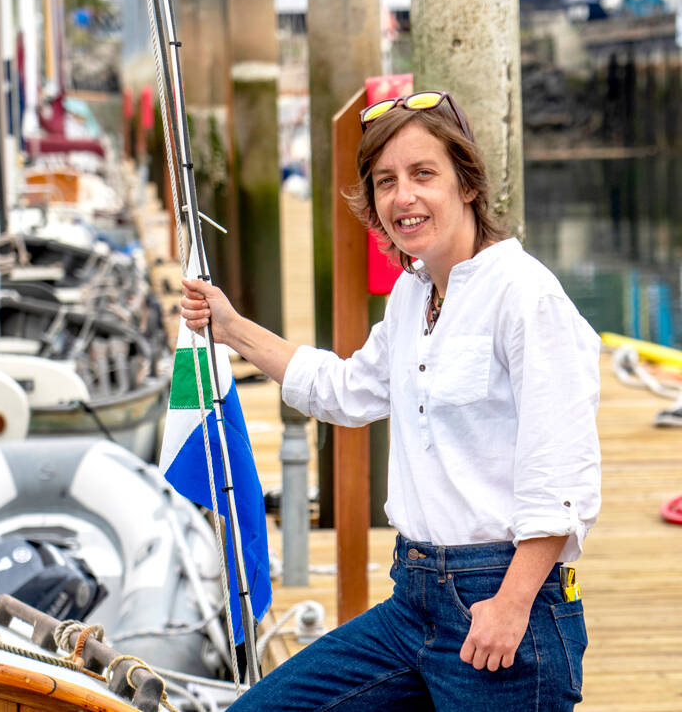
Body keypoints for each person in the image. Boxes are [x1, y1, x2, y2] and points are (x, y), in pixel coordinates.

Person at [180, 91, 601, 711]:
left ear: (467, 184)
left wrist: (511, 604)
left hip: (503, 604)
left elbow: (561, 470)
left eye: (423, 174)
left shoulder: (524, 294)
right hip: (413, 600)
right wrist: (232, 326)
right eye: (385, 181)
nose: (403, 196)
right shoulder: (412, 296)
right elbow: (344, 390)